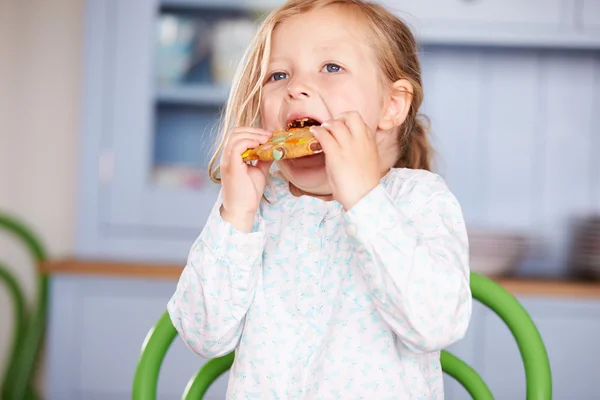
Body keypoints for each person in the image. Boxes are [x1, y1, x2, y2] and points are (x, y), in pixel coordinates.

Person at [167, 0, 472, 398]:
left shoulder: (419, 201)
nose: (295, 87)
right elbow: (204, 336)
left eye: (331, 67)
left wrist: (364, 199)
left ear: (391, 105)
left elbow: (436, 324)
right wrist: (235, 213)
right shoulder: (257, 208)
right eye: (277, 74)